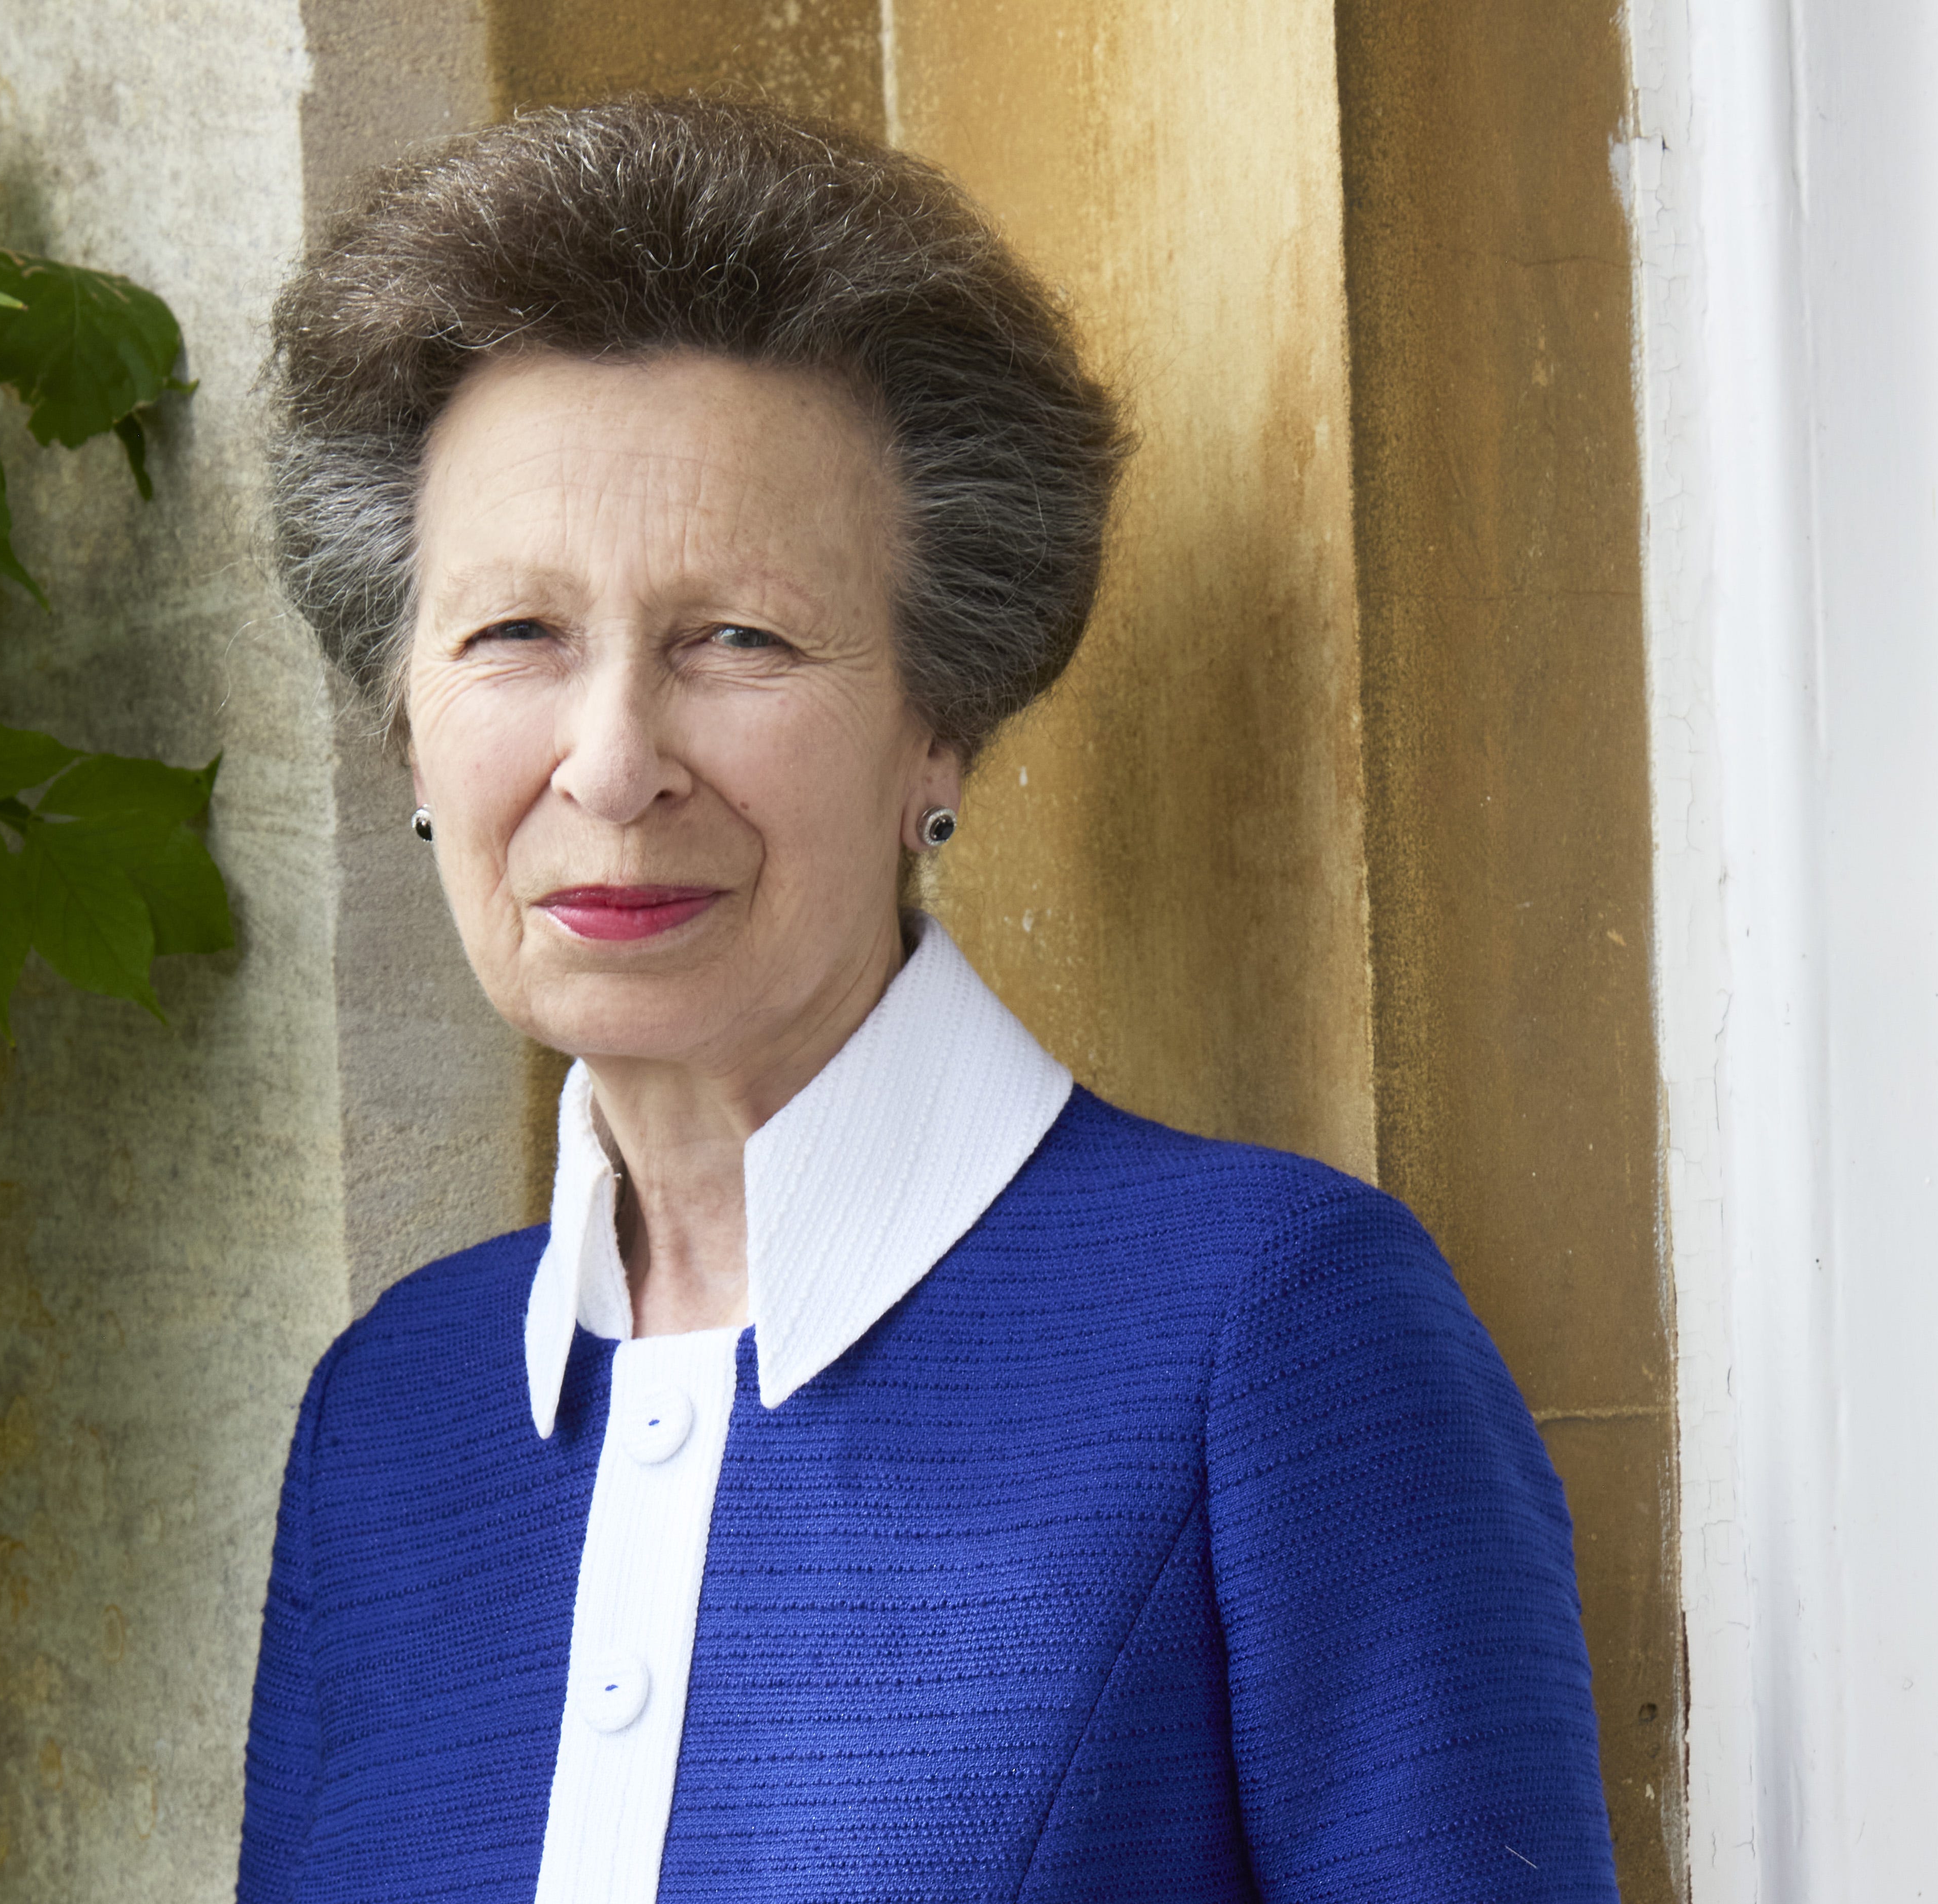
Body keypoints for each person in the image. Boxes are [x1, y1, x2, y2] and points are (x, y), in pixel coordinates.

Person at [238, 95, 1620, 1904]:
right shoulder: (389, 1417)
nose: (614, 761)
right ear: (406, 721)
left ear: (939, 726)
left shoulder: (1277, 1333)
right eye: (515, 636)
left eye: (738, 638)